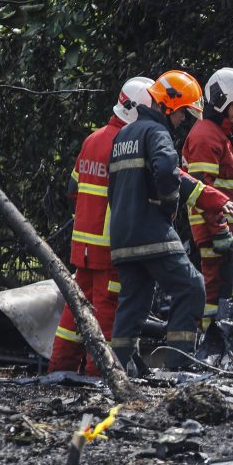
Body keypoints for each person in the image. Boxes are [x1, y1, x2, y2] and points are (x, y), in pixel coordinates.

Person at [106, 69, 233, 371]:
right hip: (151, 231)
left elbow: (113, 191)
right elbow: (168, 173)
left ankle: (119, 368)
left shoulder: (122, 136)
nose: (182, 121)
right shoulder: (157, 133)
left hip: (123, 238)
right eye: (182, 114)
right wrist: (168, 206)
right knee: (192, 287)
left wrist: (214, 200)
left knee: (132, 304)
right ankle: (180, 364)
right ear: (169, 106)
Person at [48, 77, 153, 375]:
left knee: (74, 315)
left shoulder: (92, 140)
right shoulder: (128, 146)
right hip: (111, 251)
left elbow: (73, 186)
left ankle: (58, 372)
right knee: (108, 319)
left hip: (83, 248)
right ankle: (99, 379)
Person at [182, 68, 233, 330]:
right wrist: (218, 230)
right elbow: (203, 190)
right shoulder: (205, 135)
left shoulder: (231, 138)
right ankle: (209, 337)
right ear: (220, 102)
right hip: (213, 226)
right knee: (217, 288)